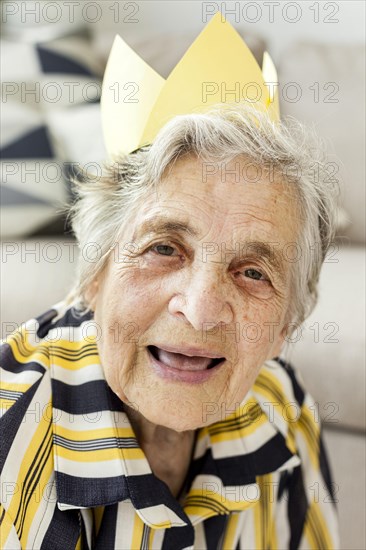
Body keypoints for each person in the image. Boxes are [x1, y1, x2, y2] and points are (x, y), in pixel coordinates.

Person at [0, 13, 339, 550]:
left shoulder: (283, 411)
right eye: (163, 248)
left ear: (286, 326)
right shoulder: (8, 454)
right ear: (94, 276)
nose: (202, 310)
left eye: (253, 272)